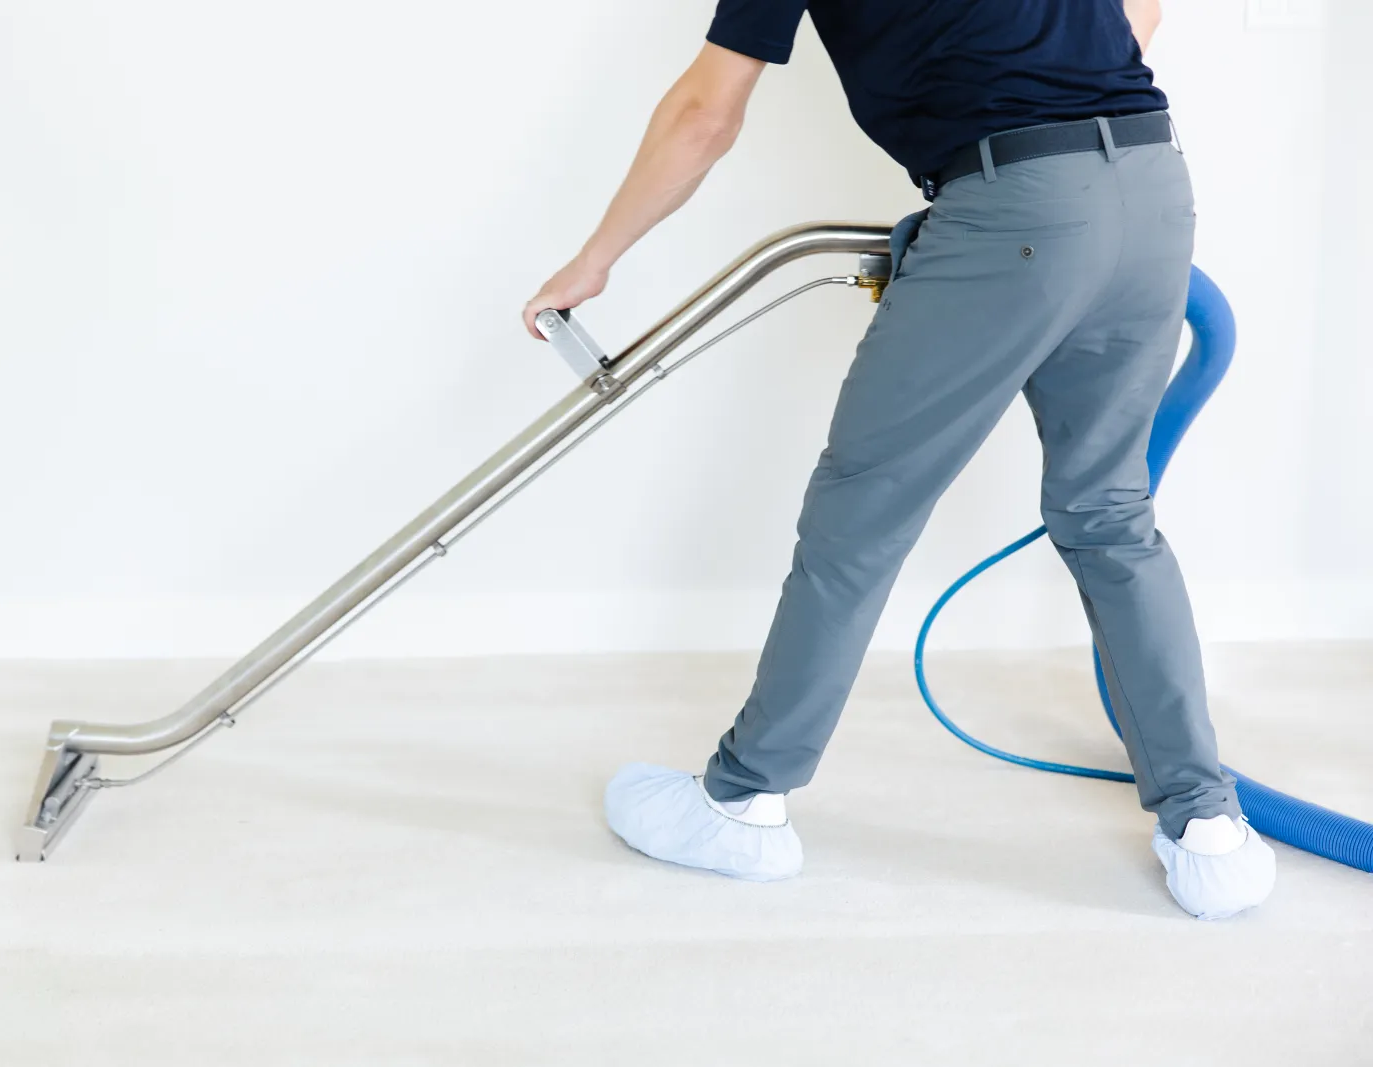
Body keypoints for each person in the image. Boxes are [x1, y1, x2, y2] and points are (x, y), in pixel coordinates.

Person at [523, 0, 1276, 920]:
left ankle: (743, 801)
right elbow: (1140, 7)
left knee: (859, 515)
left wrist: (595, 260)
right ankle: (1209, 832)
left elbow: (705, 114)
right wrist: (1062, 140)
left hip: (1017, 208)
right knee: (1110, 514)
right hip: (1153, 182)